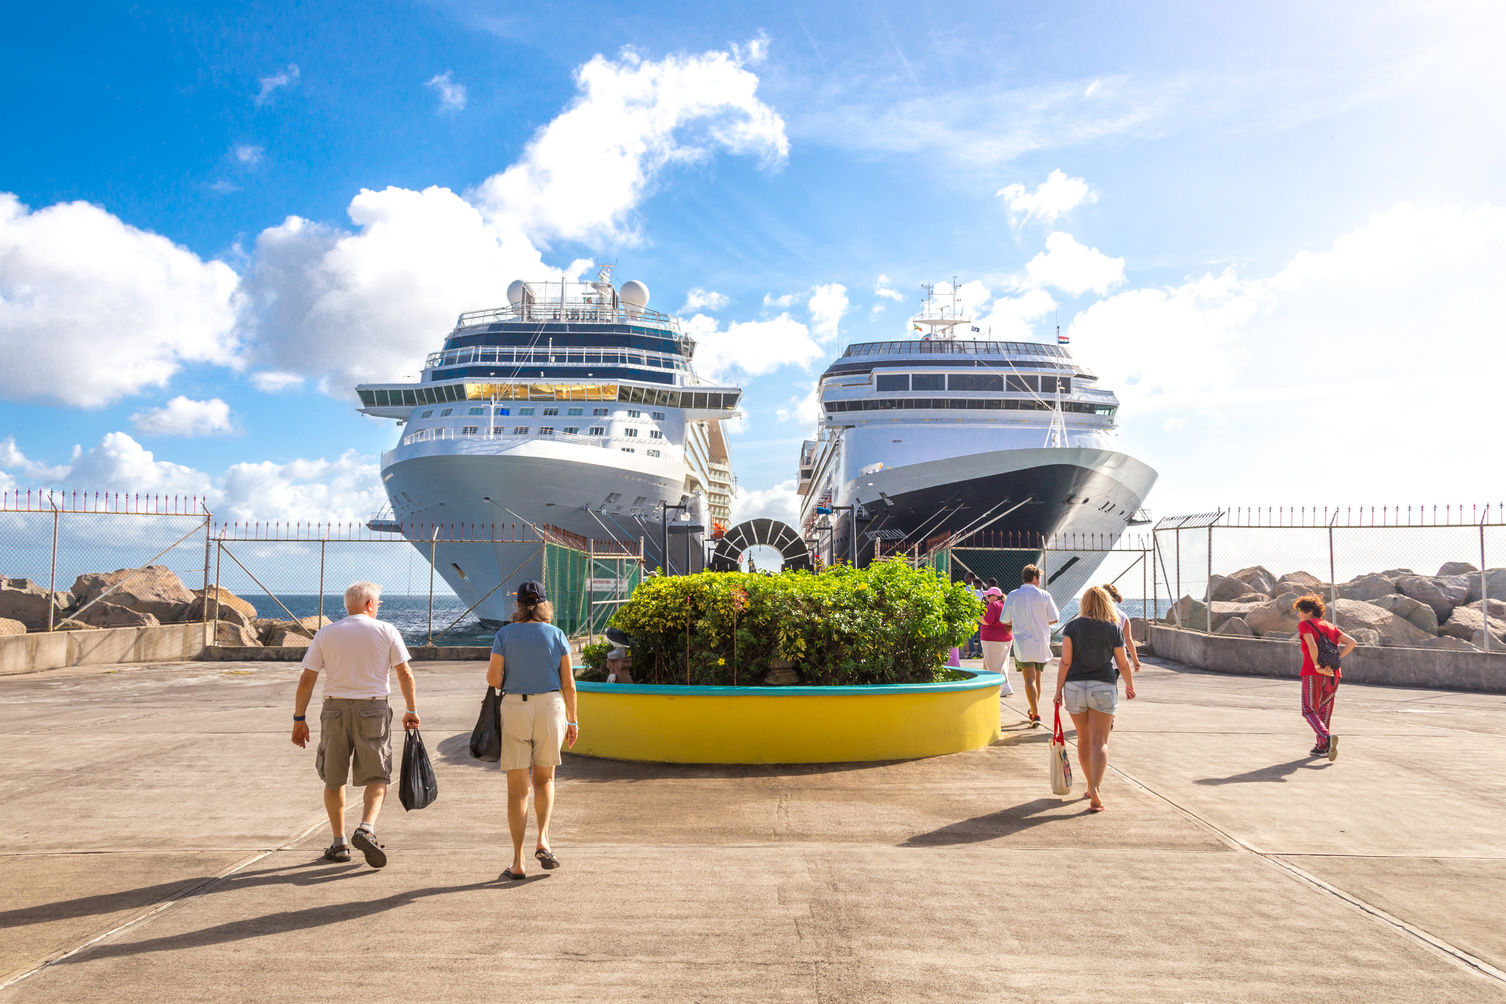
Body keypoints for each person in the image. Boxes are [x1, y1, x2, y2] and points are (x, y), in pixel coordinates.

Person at [291, 581, 419, 867]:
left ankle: (339, 844)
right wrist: (411, 709)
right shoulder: (387, 630)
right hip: (373, 707)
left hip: (334, 708)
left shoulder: (326, 633)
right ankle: (366, 828)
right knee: (377, 774)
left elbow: (307, 679)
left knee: (333, 777)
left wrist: (299, 718)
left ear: (349, 605)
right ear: (370, 604)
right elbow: (405, 673)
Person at [487, 580, 579, 879]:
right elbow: (569, 683)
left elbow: (493, 679)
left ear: (518, 604)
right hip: (552, 706)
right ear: (543, 604)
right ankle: (543, 839)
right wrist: (573, 720)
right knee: (545, 779)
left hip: (515, 706)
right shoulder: (556, 634)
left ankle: (518, 862)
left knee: (517, 790)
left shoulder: (504, 634)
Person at [1052, 586, 1135, 811]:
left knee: (1083, 739)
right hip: (1103, 686)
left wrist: (1058, 691)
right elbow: (1122, 663)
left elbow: (1065, 662)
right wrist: (1129, 685)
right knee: (1100, 741)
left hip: (1075, 687)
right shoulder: (1113, 628)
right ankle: (1096, 788)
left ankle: (1089, 785)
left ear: (1084, 603)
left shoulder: (1072, 627)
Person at [1295, 594, 1356, 761]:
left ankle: (1326, 737)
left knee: (1309, 710)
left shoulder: (1305, 625)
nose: (1298, 614)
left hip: (1314, 673)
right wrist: (1335, 660)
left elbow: (1312, 644)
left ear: (1308, 610)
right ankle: (1321, 747)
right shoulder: (1330, 626)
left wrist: (1317, 666)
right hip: (1334, 674)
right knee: (1324, 711)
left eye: (1300, 610)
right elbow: (1352, 642)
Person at [1001, 564, 1060, 727]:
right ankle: (1034, 711)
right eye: (1039, 578)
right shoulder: (1044, 595)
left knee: (1029, 678)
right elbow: (1055, 618)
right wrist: (1040, 620)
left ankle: (1036, 713)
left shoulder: (1013, 595)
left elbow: (1004, 619)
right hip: (1041, 641)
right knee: (1037, 678)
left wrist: (1019, 620)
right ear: (1034, 578)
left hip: (1023, 642)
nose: (1040, 581)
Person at [978, 586, 1015, 697]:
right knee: (1001, 663)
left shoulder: (993, 605)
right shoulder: (1006, 604)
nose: (987, 598)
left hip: (992, 639)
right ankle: (1005, 687)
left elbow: (987, 621)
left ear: (995, 596)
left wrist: (975, 615)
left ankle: (1003, 687)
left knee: (993, 665)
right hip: (1006, 638)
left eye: (989, 596)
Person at [1100, 583, 1142, 677]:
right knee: (1111, 689)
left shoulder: (1092, 615)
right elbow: (1128, 640)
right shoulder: (1122, 616)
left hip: (1095, 662)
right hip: (1115, 663)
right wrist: (1135, 660)